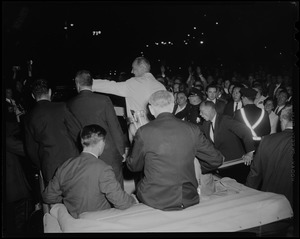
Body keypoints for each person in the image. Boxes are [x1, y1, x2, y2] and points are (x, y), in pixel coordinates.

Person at [126, 90, 224, 210]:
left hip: (154, 199)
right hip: (188, 197)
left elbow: (134, 166)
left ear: (151, 109)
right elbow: (216, 159)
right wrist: (194, 166)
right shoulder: (192, 129)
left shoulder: (143, 132)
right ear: (172, 106)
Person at [42, 124, 138, 219]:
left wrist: (68, 201)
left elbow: (48, 196)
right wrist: (134, 200)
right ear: (101, 143)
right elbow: (122, 203)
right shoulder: (103, 169)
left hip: (74, 222)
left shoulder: (64, 166)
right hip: (98, 223)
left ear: (82, 141)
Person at [67, 70, 126, 188]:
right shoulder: (104, 100)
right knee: (115, 188)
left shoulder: (70, 104)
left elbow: (72, 133)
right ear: (92, 83)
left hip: (86, 153)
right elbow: (115, 127)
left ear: (77, 84)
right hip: (108, 151)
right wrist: (121, 150)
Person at [92, 57, 166, 142]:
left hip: (139, 131)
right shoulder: (161, 86)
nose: (132, 71)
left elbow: (110, 86)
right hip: (159, 132)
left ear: (142, 67)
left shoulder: (134, 83)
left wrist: (90, 84)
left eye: (134, 68)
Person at [24, 79, 80, 185]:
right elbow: (77, 133)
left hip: (49, 166)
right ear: (50, 92)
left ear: (33, 95)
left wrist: (41, 165)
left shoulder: (28, 117)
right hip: (72, 162)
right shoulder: (61, 107)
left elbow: (31, 149)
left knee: (55, 199)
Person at [245, 105, 294, 207]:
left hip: (271, 201)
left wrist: (246, 198)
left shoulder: (267, 140)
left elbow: (255, 175)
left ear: (283, 119)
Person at [199, 101, 255, 183]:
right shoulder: (206, 124)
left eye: (202, 111)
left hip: (235, 163)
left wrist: (250, 152)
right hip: (223, 164)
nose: (200, 114)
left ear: (211, 109)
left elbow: (245, 131)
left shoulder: (225, 120)